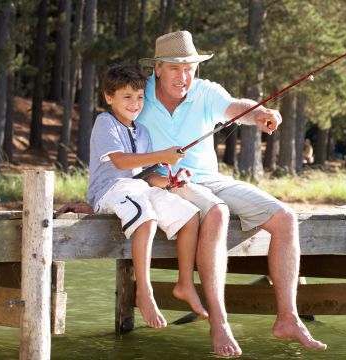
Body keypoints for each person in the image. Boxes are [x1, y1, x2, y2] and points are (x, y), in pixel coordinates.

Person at [137, 31, 327, 356]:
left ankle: (288, 318)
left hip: (209, 180)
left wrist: (262, 114)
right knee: (217, 211)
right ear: (157, 68)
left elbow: (238, 107)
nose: (184, 77)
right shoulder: (140, 97)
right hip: (163, 185)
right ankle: (219, 322)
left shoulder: (204, 91)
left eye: (189, 68)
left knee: (285, 218)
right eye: (175, 69)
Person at [87, 64, 208, 329]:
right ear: (109, 97)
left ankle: (184, 282)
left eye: (139, 97)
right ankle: (145, 291)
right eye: (127, 97)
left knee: (190, 215)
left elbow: (146, 175)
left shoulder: (141, 132)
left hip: (137, 189)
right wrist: (162, 155)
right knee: (147, 217)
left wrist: (172, 181)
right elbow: (120, 162)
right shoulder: (104, 122)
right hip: (110, 191)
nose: (135, 103)